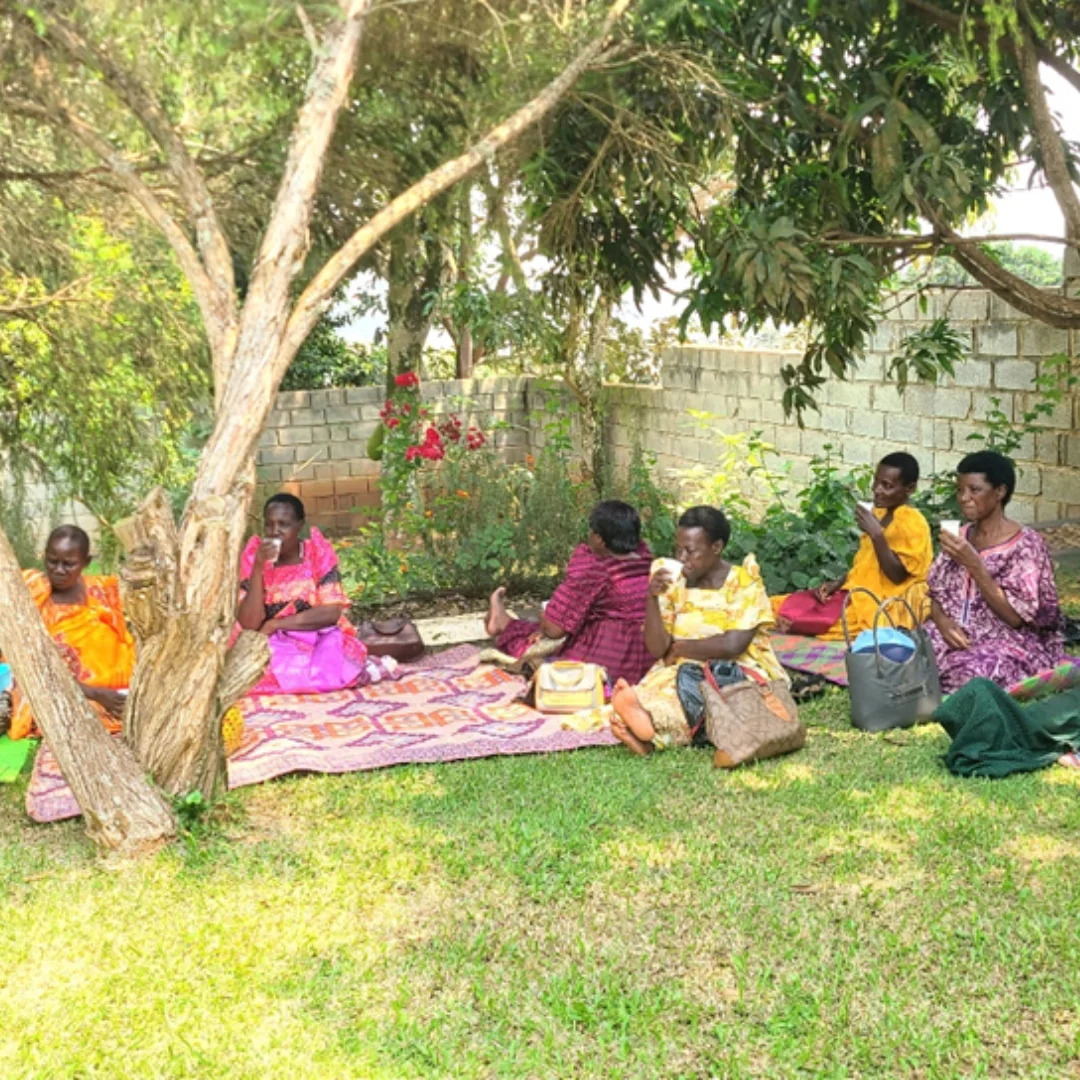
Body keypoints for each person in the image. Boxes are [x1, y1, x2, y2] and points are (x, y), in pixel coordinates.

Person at [609, 506, 787, 755]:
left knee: (708, 700)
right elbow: (657, 648)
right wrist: (651, 598)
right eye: (678, 549)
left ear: (716, 547)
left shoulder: (743, 583)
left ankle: (650, 733)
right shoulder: (672, 580)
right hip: (681, 670)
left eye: (691, 551)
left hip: (735, 669)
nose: (682, 558)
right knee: (669, 692)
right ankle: (647, 730)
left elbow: (732, 645)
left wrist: (681, 647)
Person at [927, 450, 1065, 694]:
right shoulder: (960, 537)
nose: (964, 498)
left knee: (976, 674)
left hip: (1008, 640)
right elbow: (934, 592)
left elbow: (1015, 617)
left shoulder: (1026, 546)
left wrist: (974, 563)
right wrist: (942, 621)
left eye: (974, 490)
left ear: (999, 492)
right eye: (960, 490)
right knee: (896, 651)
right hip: (954, 633)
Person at [236, 493, 395, 694]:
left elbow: (331, 613)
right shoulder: (253, 557)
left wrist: (275, 624)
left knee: (328, 668)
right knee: (260, 673)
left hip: (317, 638)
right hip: (271, 644)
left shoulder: (317, 554)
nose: (275, 532)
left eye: (283, 524)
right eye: (269, 525)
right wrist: (258, 567)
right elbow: (249, 624)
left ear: (299, 526)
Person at [485, 500, 654, 685]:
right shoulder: (645, 562)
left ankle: (501, 623)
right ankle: (502, 620)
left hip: (610, 659)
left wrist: (545, 616)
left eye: (591, 531)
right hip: (646, 657)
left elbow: (554, 629)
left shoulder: (595, 569)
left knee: (540, 645)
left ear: (599, 539)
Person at [771, 452, 933, 638]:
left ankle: (798, 625)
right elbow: (866, 565)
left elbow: (897, 576)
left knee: (817, 621)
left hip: (885, 602)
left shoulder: (913, 522)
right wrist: (837, 583)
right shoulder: (880, 514)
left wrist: (877, 535)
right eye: (876, 481)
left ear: (909, 489)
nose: (877, 490)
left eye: (887, 486)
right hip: (858, 592)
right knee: (782, 605)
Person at [9, 525, 135, 740]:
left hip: (118, 691)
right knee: (84, 713)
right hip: (62, 690)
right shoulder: (31, 592)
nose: (58, 570)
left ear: (85, 562)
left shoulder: (104, 591)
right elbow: (30, 664)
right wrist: (95, 693)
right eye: (52, 561)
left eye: (68, 564)